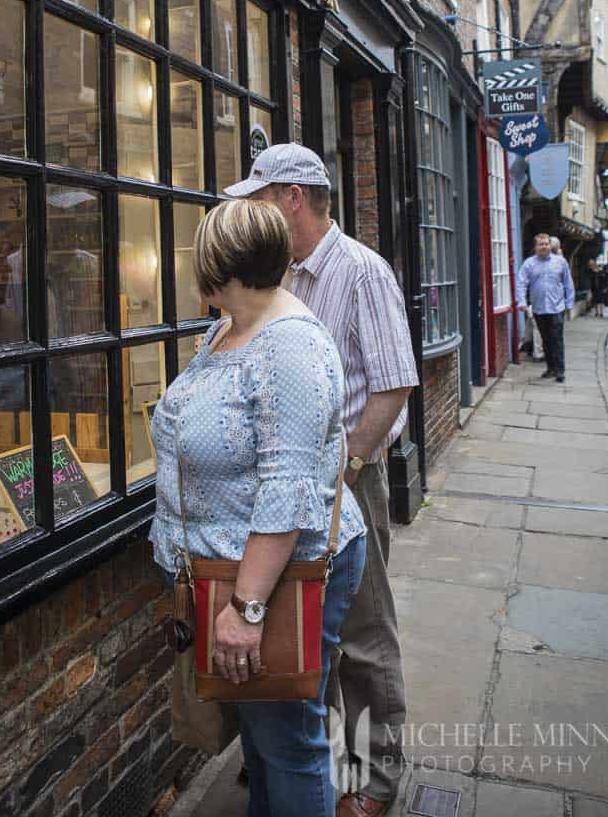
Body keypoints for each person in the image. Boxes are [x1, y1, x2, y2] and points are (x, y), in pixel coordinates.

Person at [149, 199, 367, 817]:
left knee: (288, 745)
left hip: (274, 581)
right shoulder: (226, 328)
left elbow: (287, 491)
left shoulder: (288, 348)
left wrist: (245, 610)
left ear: (222, 264)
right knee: (266, 746)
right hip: (225, 574)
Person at [225, 144, 418, 817]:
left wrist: (350, 464)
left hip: (346, 483)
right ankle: (308, 758)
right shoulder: (274, 277)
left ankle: (372, 782)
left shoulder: (361, 271)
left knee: (363, 638)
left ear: (292, 199)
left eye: (258, 196)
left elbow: (393, 386)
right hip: (282, 489)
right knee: (307, 634)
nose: (251, 209)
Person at [517, 232, 576, 383]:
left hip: (557, 307)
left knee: (556, 338)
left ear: (550, 246)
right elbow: (521, 282)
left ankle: (560, 370)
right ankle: (550, 368)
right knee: (545, 340)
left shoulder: (560, 262)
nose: (543, 247)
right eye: (540, 244)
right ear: (535, 247)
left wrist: (569, 303)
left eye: (546, 244)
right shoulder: (529, 263)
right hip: (539, 308)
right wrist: (522, 301)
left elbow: (568, 284)